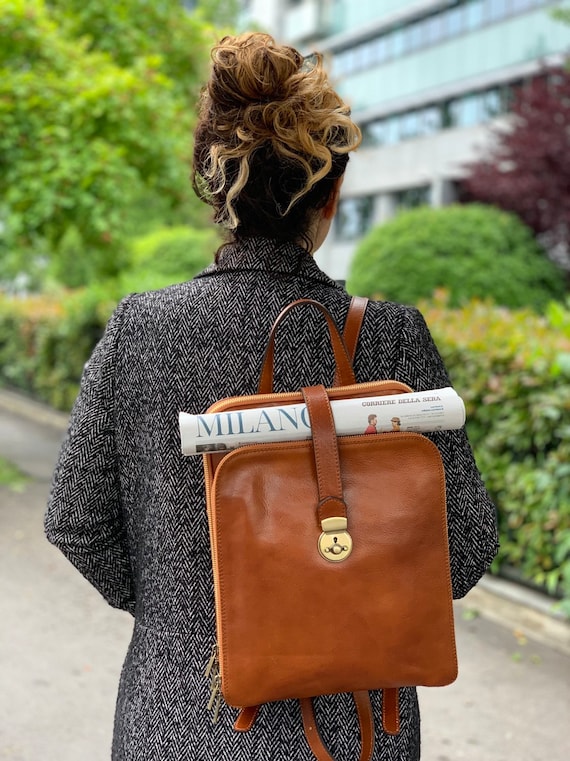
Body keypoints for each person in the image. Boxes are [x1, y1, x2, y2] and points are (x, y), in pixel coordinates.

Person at [45, 32, 499, 761]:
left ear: (216, 191)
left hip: (182, 712)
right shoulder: (391, 336)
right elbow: (467, 545)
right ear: (331, 196)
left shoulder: (140, 329)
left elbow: (74, 521)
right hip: (358, 727)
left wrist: (181, 605)